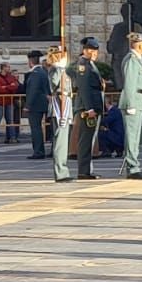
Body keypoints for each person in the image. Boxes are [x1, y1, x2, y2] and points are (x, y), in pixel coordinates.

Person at [71, 36, 105, 179]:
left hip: (93, 107)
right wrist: (89, 108)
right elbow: (84, 88)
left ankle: (87, 170)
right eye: (92, 50)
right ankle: (83, 171)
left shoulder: (90, 64)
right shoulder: (83, 65)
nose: (95, 53)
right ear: (86, 50)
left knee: (90, 139)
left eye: (96, 51)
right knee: (86, 139)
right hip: (87, 109)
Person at [118, 32, 142, 179]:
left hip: (138, 100)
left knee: (135, 136)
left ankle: (133, 164)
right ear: (138, 45)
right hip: (133, 101)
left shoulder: (137, 60)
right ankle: (132, 167)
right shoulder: (132, 60)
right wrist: (131, 104)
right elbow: (130, 83)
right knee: (132, 136)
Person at [47, 45, 74, 183]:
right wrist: (59, 68)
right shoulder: (54, 69)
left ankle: (64, 169)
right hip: (59, 107)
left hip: (66, 104)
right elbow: (53, 83)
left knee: (64, 142)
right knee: (60, 142)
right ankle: (60, 172)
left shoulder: (64, 69)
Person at [23, 49, 50, 160]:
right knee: (38, 128)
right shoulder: (43, 71)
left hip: (36, 105)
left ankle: (38, 151)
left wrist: (27, 105)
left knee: (36, 129)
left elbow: (33, 90)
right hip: (42, 104)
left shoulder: (35, 73)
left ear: (30, 61)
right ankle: (40, 150)